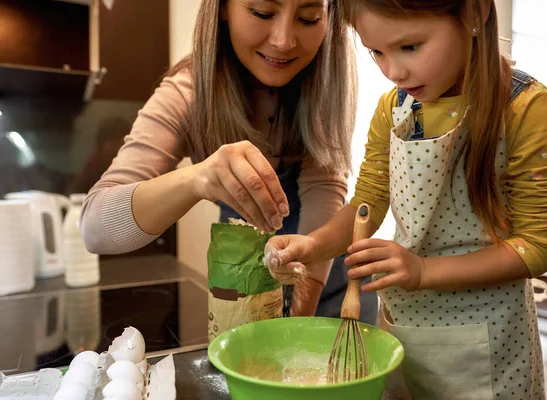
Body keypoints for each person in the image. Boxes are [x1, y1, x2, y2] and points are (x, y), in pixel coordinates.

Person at [265, 0, 547, 398]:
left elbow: (537, 247)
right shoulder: (393, 108)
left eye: (410, 47)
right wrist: (312, 245)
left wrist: (424, 271)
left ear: (475, 14)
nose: (393, 71)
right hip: (406, 326)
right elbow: (369, 200)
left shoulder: (526, 109)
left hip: (490, 340)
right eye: (375, 51)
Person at [80, 0, 380, 321]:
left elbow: (323, 191)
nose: (283, 40)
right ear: (223, 8)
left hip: (328, 279)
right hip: (243, 275)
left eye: (309, 19)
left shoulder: (325, 81)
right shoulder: (189, 92)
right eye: (262, 13)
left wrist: (295, 327)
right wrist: (197, 180)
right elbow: (95, 228)